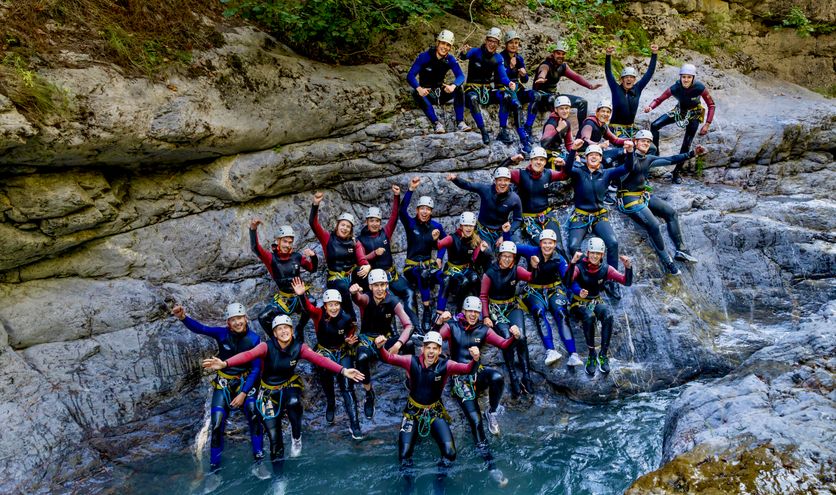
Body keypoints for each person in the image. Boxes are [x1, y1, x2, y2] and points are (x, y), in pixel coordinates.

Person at [202, 314, 364, 473]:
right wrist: (225, 363)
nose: (284, 331)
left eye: (286, 328)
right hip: (267, 392)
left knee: (294, 402)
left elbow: (319, 359)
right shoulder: (266, 347)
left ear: (292, 330)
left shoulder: (299, 347)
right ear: (274, 333)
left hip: (288, 384)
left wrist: (343, 370)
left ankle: (296, 437)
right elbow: (248, 355)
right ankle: (279, 478)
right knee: (274, 439)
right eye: (279, 329)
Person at [374, 331, 481, 495]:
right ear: (422, 349)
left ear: (439, 351)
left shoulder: (446, 366)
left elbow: (467, 370)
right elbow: (389, 358)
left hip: (434, 412)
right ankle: (409, 485)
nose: (431, 351)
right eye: (428, 347)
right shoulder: (412, 362)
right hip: (412, 412)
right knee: (404, 455)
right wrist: (380, 348)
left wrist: (475, 359)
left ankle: (439, 480)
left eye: (435, 348)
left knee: (450, 454)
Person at [434, 297, 520, 486]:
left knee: (497, 377)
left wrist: (514, 336)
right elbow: (434, 342)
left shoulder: (483, 330)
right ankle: (492, 467)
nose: (473, 315)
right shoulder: (452, 327)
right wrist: (438, 322)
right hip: (459, 378)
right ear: (463, 311)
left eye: (476, 312)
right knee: (475, 421)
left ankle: (492, 412)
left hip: (476, 373)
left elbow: (504, 344)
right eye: (469, 311)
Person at [172, 303, 262, 477]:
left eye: (240, 318)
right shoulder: (222, 334)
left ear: (246, 318)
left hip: (245, 381)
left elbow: (256, 369)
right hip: (224, 383)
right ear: (228, 322)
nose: (237, 323)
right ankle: (215, 470)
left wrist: (243, 393)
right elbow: (201, 328)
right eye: (233, 320)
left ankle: (259, 460)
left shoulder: (254, 339)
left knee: (253, 415)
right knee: (217, 423)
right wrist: (183, 317)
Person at [617, 130, 706, 274]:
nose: (646, 143)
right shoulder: (626, 156)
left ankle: (681, 250)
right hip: (629, 198)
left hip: (643, 195)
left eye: (648, 141)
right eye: (643, 140)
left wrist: (692, 154)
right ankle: (667, 262)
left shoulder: (648, 158)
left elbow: (670, 159)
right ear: (635, 141)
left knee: (671, 213)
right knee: (654, 224)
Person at [562, 138, 635, 300]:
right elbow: (566, 169)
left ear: (601, 158)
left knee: (613, 243)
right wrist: (573, 150)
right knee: (574, 245)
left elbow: (627, 167)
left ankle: (611, 281)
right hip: (581, 215)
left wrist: (630, 152)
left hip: (599, 215)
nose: (594, 157)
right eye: (590, 155)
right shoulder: (578, 171)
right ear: (586, 158)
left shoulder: (606, 173)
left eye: (597, 155)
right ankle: (579, 278)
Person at [292, 278, 364, 440]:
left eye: (336, 304)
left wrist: (349, 339)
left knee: (347, 387)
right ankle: (331, 402)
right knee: (325, 375)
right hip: (324, 351)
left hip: (342, 351)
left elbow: (352, 329)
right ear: (325, 306)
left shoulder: (345, 318)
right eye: (330, 305)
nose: (334, 307)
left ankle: (355, 425)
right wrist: (301, 296)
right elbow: (308, 308)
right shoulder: (318, 314)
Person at [349, 268, 415, 420]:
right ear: (370, 287)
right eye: (376, 285)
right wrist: (354, 292)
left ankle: (409, 379)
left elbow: (409, 325)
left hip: (386, 339)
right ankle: (368, 392)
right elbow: (358, 299)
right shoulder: (367, 298)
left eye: (382, 285)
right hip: (367, 339)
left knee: (409, 344)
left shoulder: (392, 301)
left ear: (387, 285)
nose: (379, 289)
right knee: (361, 358)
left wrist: (398, 343)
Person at [516, 230, 583, 367]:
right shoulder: (531, 251)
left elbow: (567, 280)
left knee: (562, 314)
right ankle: (550, 351)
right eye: (545, 243)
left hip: (554, 289)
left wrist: (578, 290)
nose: (547, 246)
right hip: (534, 289)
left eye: (550, 243)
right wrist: (505, 235)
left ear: (554, 244)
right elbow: (512, 247)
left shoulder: (559, 259)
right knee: (539, 314)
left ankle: (573, 355)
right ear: (540, 244)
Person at [566, 240, 633, 375]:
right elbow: (567, 281)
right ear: (588, 253)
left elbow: (626, 282)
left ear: (602, 255)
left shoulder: (605, 269)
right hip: (577, 303)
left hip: (595, 301)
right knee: (589, 316)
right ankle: (591, 354)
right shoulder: (580, 267)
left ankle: (603, 354)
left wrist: (628, 267)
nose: (595, 256)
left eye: (598, 253)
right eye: (593, 253)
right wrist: (572, 263)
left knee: (608, 315)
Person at [357, 184, 419, 329]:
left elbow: (394, 216)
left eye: (377, 221)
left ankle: (415, 327)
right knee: (388, 302)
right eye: (371, 220)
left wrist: (396, 196)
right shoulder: (360, 240)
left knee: (409, 292)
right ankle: (393, 333)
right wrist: (373, 254)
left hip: (392, 276)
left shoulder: (385, 233)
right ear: (367, 222)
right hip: (377, 281)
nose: (374, 223)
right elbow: (361, 259)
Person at [644, 63, 716, 183]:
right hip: (679, 111)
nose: (686, 79)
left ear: (693, 78)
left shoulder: (699, 87)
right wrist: (650, 107)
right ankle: (656, 155)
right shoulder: (675, 87)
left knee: (686, 144)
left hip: (694, 114)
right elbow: (660, 99)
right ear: (680, 77)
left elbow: (711, 105)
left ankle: (676, 173)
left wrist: (707, 123)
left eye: (689, 77)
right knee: (655, 125)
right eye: (684, 77)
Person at [481, 241, 536, 397]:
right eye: (504, 256)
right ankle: (513, 377)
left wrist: (533, 266)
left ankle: (526, 376)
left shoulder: (516, 270)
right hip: (496, 309)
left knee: (521, 337)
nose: (506, 259)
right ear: (499, 257)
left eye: (510, 257)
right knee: (507, 338)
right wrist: (485, 316)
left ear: (514, 258)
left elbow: (532, 277)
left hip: (512, 306)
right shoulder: (490, 273)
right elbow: (484, 296)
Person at [249, 219, 318, 340]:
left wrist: (314, 257)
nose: (288, 245)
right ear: (278, 241)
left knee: (312, 301)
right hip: (283, 299)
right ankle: (276, 340)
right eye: (285, 241)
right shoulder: (271, 258)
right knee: (263, 317)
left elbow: (312, 269)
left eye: (290, 242)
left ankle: (300, 328)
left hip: (298, 297)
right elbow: (255, 248)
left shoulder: (297, 257)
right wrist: (253, 229)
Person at [309, 191, 371, 319]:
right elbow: (313, 224)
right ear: (337, 226)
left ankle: (370, 308)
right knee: (343, 288)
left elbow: (361, 259)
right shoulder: (328, 239)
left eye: (348, 226)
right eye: (342, 225)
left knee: (368, 277)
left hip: (351, 275)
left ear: (351, 229)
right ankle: (351, 319)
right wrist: (315, 204)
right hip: (335, 278)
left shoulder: (354, 242)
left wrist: (366, 266)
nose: (345, 228)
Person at [399, 177, 446, 333]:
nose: (425, 212)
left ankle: (439, 314)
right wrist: (410, 190)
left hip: (428, 266)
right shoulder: (411, 224)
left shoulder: (436, 227)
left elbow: (446, 242)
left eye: (428, 209)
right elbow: (401, 211)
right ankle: (427, 310)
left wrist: (439, 255)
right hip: (412, 268)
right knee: (423, 274)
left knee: (446, 279)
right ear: (417, 210)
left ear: (431, 211)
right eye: (422, 209)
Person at [530, 40, 602, 141]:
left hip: (554, 96)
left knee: (582, 102)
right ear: (553, 53)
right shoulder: (546, 64)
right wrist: (541, 78)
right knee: (551, 99)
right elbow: (543, 70)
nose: (561, 56)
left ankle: (581, 135)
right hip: (542, 97)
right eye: (558, 53)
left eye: (563, 54)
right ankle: (558, 129)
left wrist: (590, 86)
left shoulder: (563, 66)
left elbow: (576, 77)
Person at [459, 27, 517, 144]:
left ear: (498, 44)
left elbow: (503, 76)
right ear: (486, 41)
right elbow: (463, 56)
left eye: (495, 42)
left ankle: (502, 130)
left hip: (487, 90)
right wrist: (463, 52)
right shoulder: (475, 52)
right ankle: (483, 131)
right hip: (472, 88)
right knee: (473, 98)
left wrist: (509, 83)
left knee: (506, 96)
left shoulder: (497, 58)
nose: (491, 44)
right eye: (490, 41)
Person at [407, 29, 469, 134]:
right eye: (443, 43)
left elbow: (460, 76)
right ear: (437, 43)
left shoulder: (450, 59)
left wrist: (453, 86)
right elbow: (410, 76)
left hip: (440, 91)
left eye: (448, 45)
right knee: (415, 92)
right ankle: (436, 123)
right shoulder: (425, 57)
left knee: (459, 88)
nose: (445, 47)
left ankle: (460, 122)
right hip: (426, 93)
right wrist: (419, 88)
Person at [510, 146, 569, 253]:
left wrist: (564, 165)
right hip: (529, 219)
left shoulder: (548, 173)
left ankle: (566, 269)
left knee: (559, 247)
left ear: (545, 162)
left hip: (546, 216)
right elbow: (499, 174)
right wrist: (510, 160)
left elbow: (564, 176)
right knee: (543, 248)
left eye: (541, 160)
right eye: (536, 159)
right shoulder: (520, 174)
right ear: (531, 161)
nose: (538, 162)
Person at [447, 168, 523, 249]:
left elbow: (518, 219)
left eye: (506, 180)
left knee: (516, 248)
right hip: (483, 231)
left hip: (502, 231)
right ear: (495, 181)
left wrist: (505, 235)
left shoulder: (514, 198)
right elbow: (468, 185)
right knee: (487, 252)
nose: (503, 183)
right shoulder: (486, 190)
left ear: (510, 181)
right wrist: (455, 179)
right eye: (500, 180)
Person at [432, 212, 489, 315]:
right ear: (461, 226)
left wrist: (481, 251)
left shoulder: (475, 239)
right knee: (464, 282)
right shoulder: (452, 238)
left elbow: (476, 260)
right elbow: (439, 245)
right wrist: (435, 239)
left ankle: (479, 309)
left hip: (467, 269)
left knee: (475, 278)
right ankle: (459, 310)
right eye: (466, 225)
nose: (469, 228)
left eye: (471, 226)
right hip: (452, 270)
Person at [604, 44, 658, 140]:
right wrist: (608, 55)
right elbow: (608, 73)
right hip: (615, 129)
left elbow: (649, 73)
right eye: (626, 77)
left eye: (631, 77)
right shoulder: (615, 89)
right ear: (622, 80)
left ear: (634, 80)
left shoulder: (637, 89)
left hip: (631, 129)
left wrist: (654, 54)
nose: (629, 79)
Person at [495, 30, 534, 154]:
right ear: (506, 44)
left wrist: (523, 74)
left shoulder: (519, 58)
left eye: (516, 43)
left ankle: (529, 126)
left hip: (517, 87)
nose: (514, 45)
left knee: (535, 96)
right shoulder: (500, 57)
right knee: (516, 105)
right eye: (511, 43)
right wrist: (510, 68)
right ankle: (523, 139)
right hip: (504, 87)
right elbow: (498, 76)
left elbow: (525, 79)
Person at [576, 99, 626, 167]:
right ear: (597, 112)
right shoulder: (589, 123)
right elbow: (585, 139)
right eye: (603, 111)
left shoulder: (603, 125)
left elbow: (615, 140)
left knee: (623, 151)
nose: (605, 114)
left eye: (608, 112)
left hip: (596, 152)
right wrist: (599, 145)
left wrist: (633, 140)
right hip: (583, 154)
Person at [540, 95, 575, 169]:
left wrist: (575, 154)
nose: (565, 111)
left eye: (567, 108)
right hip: (549, 156)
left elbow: (569, 143)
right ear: (556, 110)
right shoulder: (551, 123)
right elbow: (544, 143)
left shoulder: (566, 123)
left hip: (559, 153)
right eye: (561, 109)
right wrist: (558, 129)